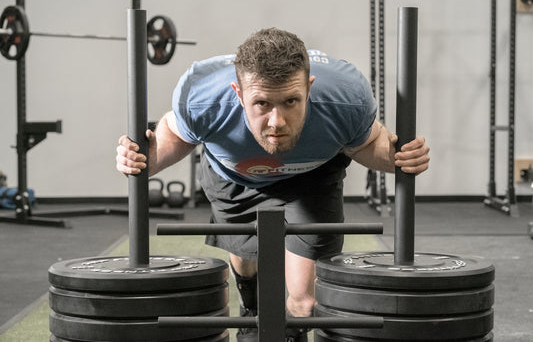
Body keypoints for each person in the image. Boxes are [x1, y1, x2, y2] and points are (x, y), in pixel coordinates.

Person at [116, 28, 430, 342]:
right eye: (262, 104)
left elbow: (369, 143)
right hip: (233, 177)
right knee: (246, 258)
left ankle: (291, 332)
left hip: (312, 179)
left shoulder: (347, 100)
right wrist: (144, 159)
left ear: (309, 88)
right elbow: (173, 134)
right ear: (238, 94)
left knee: (304, 302)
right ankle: (250, 307)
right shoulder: (202, 98)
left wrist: (398, 157)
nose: (276, 121)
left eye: (291, 101)